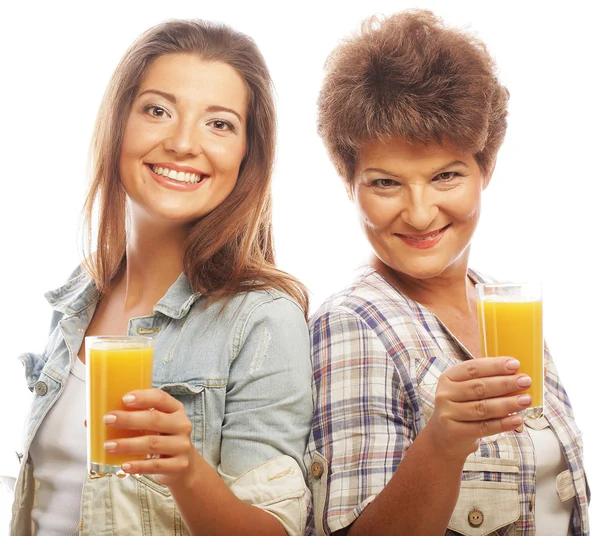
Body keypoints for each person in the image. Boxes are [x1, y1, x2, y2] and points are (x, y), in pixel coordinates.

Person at [10, 19, 313, 536]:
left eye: (218, 124)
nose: (181, 143)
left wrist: (185, 470)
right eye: (158, 110)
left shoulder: (262, 319)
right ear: (119, 123)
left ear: (246, 155)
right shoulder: (77, 297)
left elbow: (275, 529)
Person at [305, 10, 589, 536]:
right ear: (349, 184)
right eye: (386, 183)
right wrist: (440, 444)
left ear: (487, 168)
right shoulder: (352, 325)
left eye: (445, 176)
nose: (418, 212)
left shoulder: (502, 308)